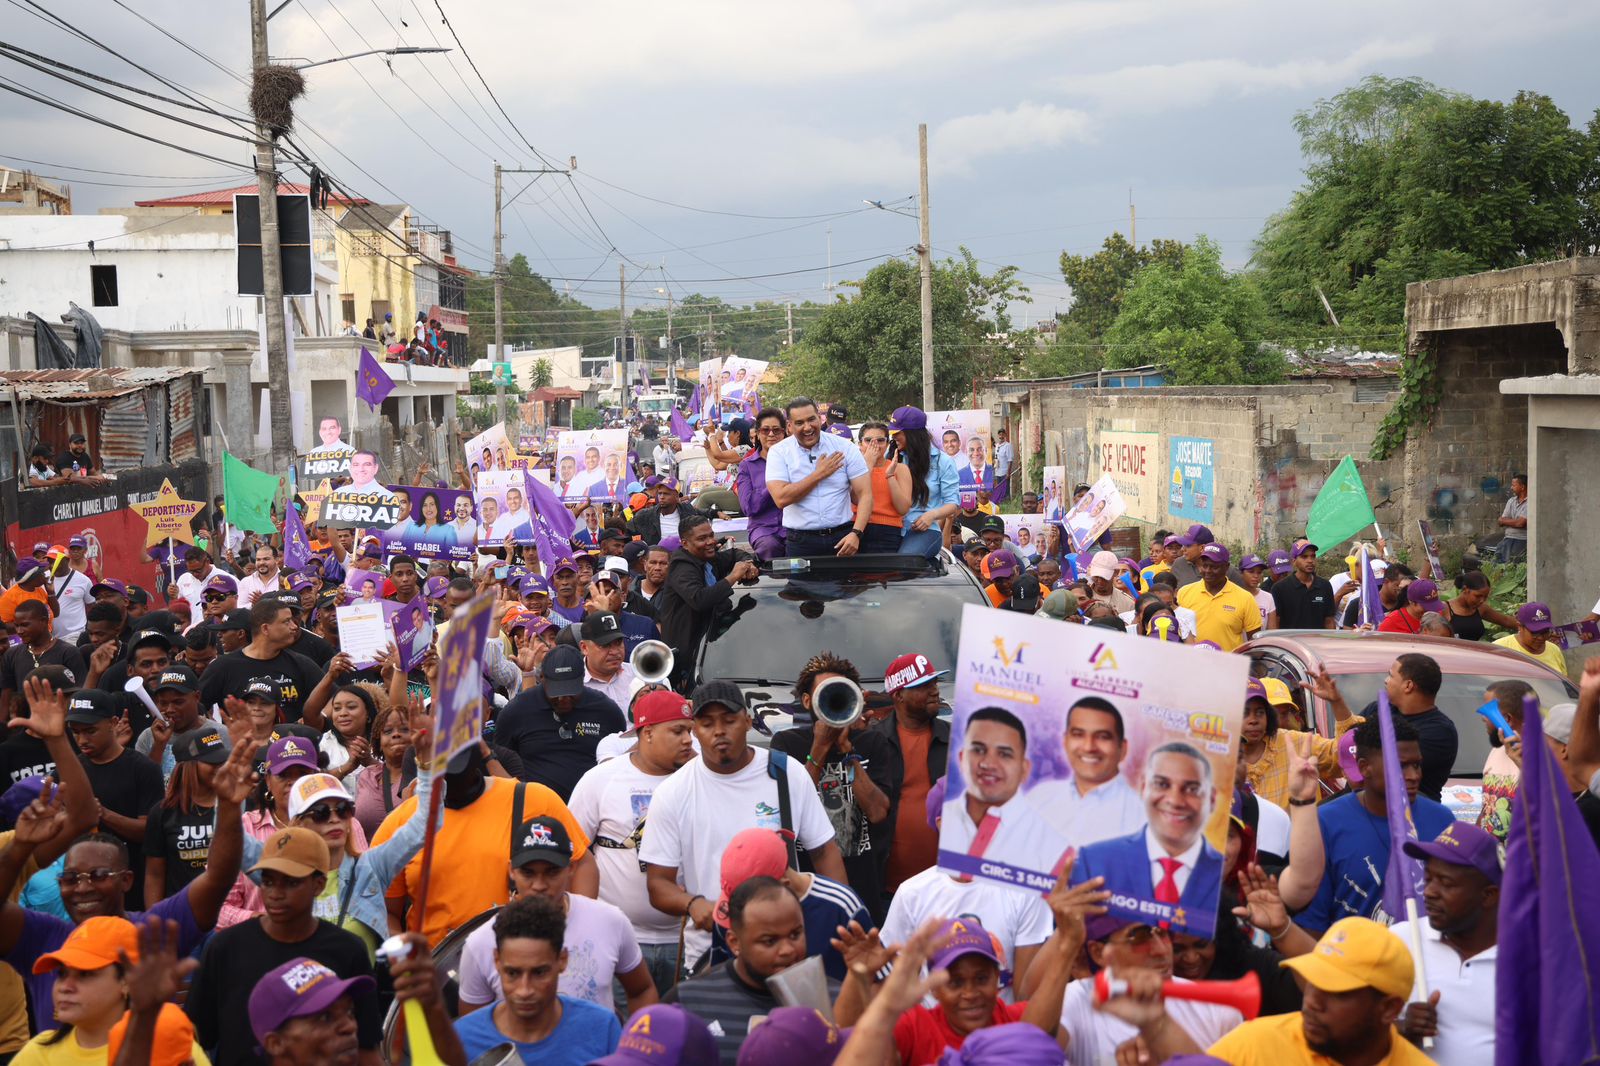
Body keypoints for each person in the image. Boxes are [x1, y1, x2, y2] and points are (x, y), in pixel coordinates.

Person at [640, 680, 845, 971]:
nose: (719, 731)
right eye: (707, 723)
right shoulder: (673, 792)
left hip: (787, 949)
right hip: (712, 954)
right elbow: (658, 884)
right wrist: (693, 904)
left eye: (729, 720)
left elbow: (825, 852)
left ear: (748, 721)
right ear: (695, 729)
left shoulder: (787, 774)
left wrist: (840, 916)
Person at [1105, 916, 1434, 1064]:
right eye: (1312, 984)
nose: (1313, 1003)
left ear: (1389, 1009)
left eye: (1335, 992)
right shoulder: (1254, 1045)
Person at [186, 827, 383, 1065]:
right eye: (268, 881)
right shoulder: (225, 947)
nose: (275, 893)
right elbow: (195, 1040)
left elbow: (366, 1047)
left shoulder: (348, 949)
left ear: (318, 885)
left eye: (290, 882)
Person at [369, 743, 594, 946]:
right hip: (438, 972)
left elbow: (582, 864)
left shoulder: (533, 799)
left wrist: (573, 933)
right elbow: (384, 909)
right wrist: (404, 956)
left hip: (526, 960)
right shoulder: (401, 822)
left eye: (459, 775)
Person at [456, 816, 657, 1017]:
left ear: (571, 869)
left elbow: (642, 990)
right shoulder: (480, 943)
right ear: (511, 871)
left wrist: (638, 1044)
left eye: (552, 873)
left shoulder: (610, 922)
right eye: (528, 873)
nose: (539, 885)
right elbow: (474, 1030)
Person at [567, 690, 699, 991]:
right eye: (677, 731)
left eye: (689, 731)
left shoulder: (700, 779)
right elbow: (571, 854)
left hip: (686, 940)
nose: (688, 740)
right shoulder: (602, 779)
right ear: (648, 733)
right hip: (617, 939)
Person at [1299, 717, 1455, 933]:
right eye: (1400, 766)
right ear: (1365, 767)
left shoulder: (1442, 821)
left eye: (1416, 765)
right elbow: (1311, 924)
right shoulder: (1325, 822)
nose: (1413, 776)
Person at [771, 653, 894, 918]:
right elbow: (787, 810)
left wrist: (849, 755)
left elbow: (877, 812)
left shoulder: (872, 742)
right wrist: (819, 749)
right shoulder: (786, 743)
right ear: (806, 701)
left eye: (840, 692)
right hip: (804, 887)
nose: (833, 701)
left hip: (863, 887)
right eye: (825, 693)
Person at [661, 877, 828, 1066]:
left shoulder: (834, 999)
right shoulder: (688, 1000)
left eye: (795, 934)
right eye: (770, 941)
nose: (787, 949)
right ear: (734, 943)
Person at [1066, 743, 1224, 935]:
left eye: (1192, 789)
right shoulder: (1094, 861)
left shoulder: (1226, 873)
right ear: (1143, 787)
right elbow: (1072, 947)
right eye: (1162, 784)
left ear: (1212, 799)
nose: (1175, 801)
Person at [11, 914, 210, 1065]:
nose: (65, 987)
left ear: (126, 981)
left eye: (85, 974)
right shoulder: (37, 1054)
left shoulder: (169, 1045)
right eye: (62, 974)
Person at [452, 893, 623, 1065]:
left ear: (562, 960)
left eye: (539, 973)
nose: (525, 990)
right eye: (513, 973)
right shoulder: (462, 1039)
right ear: (497, 961)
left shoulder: (602, 1029)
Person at [1383, 821, 1502, 1064]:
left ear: (1489, 895)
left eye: (1446, 883)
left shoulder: (1529, 958)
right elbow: (1350, 1031)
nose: (1428, 892)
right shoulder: (1399, 940)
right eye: (1428, 878)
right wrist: (1400, 1028)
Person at [707, 827, 870, 981]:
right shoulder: (729, 915)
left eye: (795, 934)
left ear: (783, 885)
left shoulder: (840, 906)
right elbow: (721, 980)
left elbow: (876, 983)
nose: (786, 950)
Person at [941, 707, 1069, 878]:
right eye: (979, 750)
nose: (988, 763)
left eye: (1004, 754)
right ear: (962, 757)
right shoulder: (945, 816)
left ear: (1024, 769)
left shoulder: (1050, 843)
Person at [497, 643, 626, 802]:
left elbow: (622, 764)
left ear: (582, 679)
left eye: (570, 692)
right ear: (542, 679)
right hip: (534, 811)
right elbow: (501, 764)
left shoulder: (606, 711)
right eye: (556, 691)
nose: (563, 698)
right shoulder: (517, 712)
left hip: (592, 810)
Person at [654, 515, 758, 690]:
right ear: (685, 543)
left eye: (711, 535)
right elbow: (699, 599)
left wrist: (748, 563)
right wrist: (733, 576)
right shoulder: (681, 567)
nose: (710, 542)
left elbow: (733, 554)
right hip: (687, 660)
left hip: (714, 646)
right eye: (702, 538)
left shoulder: (707, 557)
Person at [1022, 695, 1144, 843]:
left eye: (1103, 737)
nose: (1088, 747)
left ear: (1122, 748)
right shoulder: (1039, 798)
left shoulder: (1142, 816)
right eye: (1078, 735)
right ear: (1065, 741)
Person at [874, 652, 950, 891]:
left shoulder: (957, 737)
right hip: (889, 889)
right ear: (899, 695)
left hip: (949, 887)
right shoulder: (874, 741)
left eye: (935, 683)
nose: (935, 691)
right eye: (924, 686)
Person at [764, 397, 873, 559]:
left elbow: (865, 494)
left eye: (811, 419)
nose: (808, 427)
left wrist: (856, 533)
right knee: (801, 585)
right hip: (800, 541)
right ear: (789, 426)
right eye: (800, 423)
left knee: (847, 584)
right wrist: (819, 474)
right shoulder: (779, 452)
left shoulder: (844, 447)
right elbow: (781, 498)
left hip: (843, 537)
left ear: (819, 418)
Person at [1240, 673, 1358, 809]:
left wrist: (1337, 703)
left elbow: (1346, 754)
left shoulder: (1297, 743)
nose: (1254, 720)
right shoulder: (1219, 752)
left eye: (1260, 712)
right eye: (1245, 712)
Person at [1358, 652, 1458, 802]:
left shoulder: (1439, 732)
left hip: (1410, 816)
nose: (1386, 681)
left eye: (1391, 676)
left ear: (1408, 685)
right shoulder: (1379, 707)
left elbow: (1382, 767)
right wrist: (1337, 702)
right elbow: (1345, 745)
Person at [0, 600, 86, 720]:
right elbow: (6, 698)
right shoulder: (11, 655)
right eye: (16, 625)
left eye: (25, 625)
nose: (19, 631)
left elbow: (79, 693)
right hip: (24, 727)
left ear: (44, 621)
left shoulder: (68, 653)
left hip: (60, 724)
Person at [1177, 543, 1262, 651]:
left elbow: (1255, 642)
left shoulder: (1245, 598)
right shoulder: (1184, 593)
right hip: (1193, 665)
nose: (1208, 571)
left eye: (1214, 567)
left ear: (1226, 567)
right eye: (1205, 565)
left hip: (1228, 665)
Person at [856, 422, 912, 553]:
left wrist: (890, 476)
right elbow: (855, 497)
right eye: (868, 440)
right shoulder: (852, 468)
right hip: (855, 527)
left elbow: (903, 508)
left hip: (888, 530)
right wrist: (868, 464)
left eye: (880, 440)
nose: (874, 445)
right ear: (859, 444)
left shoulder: (900, 469)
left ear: (887, 444)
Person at [1270, 541, 1335, 630]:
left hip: (1318, 642)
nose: (1310, 560)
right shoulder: (1279, 588)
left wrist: (1330, 642)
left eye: (1313, 556)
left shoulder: (1325, 586)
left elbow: (1329, 620)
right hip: (1291, 642)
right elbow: (1275, 623)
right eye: (1304, 557)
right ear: (1294, 561)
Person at [1492, 601, 1568, 674]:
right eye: (1534, 633)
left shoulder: (1554, 650)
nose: (1540, 638)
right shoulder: (1499, 649)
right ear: (1519, 627)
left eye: (1545, 632)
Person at [628, 477, 705, 547]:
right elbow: (628, 531)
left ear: (676, 496)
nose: (661, 497)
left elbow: (702, 513)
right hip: (657, 558)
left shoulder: (687, 510)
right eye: (660, 493)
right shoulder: (645, 515)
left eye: (666, 494)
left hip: (683, 556)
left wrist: (715, 513)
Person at [237, 544, 284, 610]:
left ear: (276, 560)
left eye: (266, 559)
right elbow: (239, 608)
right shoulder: (246, 582)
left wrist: (264, 602)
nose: (261, 563)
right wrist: (254, 605)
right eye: (258, 560)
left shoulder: (284, 580)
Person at [1496, 473, 1528, 562]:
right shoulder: (1511, 501)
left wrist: (1506, 521)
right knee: (1495, 565)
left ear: (1522, 487)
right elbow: (1500, 521)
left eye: (1514, 485)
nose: (1511, 488)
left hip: (1520, 540)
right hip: (1507, 538)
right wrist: (1514, 522)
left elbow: (1520, 523)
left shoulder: (1530, 502)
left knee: (1511, 566)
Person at [991, 429, 1014, 501]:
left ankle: (1007, 502)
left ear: (1005, 435)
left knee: (1005, 488)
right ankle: (1000, 501)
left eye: (1002, 434)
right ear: (998, 436)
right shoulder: (997, 445)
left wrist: (1008, 472)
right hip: (997, 471)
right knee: (999, 487)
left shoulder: (1008, 445)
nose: (1001, 436)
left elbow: (1010, 460)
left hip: (1004, 471)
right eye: (1000, 435)